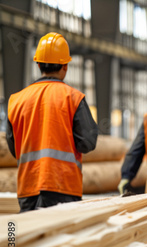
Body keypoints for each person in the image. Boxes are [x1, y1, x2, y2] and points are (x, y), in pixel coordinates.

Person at [6, 32, 98, 212]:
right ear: (65, 66)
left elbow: (13, 147)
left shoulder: (16, 100)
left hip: (27, 188)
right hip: (62, 187)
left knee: (28, 239)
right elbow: (88, 142)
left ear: (38, 64)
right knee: (61, 240)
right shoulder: (73, 98)